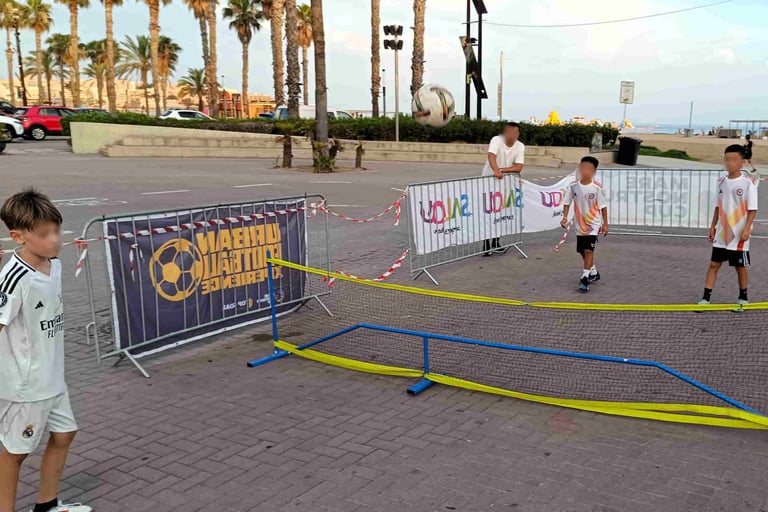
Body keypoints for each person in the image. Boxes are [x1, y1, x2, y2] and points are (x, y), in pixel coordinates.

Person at [0, 190, 91, 512]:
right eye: (44, 234)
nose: (55, 239)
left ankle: (47, 505)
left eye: (57, 230)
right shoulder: (13, 278)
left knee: (65, 434)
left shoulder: (53, 265)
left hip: (53, 378)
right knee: (15, 453)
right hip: (26, 387)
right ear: (18, 236)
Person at [698, 145, 758, 311]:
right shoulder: (721, 181)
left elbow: (752, 209)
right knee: (713, 265)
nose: (729, 163)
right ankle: (705, 299)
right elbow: (718, 206)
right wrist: (712, 226)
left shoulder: (748, 183)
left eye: (733, 159)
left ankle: (743, 299)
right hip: (722, 233)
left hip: (739, 234)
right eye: (727, 159)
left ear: (742, 162)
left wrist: (746, 229)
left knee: (739, 267)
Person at [561, 156, 608, 292]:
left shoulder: (597, 188)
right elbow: (567, 202)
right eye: (583, 167)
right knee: (582, 251)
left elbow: (603, 206)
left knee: (589, 250)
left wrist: (605, 224)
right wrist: (564, 217)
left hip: (593, 223)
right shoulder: (573, 186)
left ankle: (584, 278)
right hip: (579, 224)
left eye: (589, 168)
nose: (585, 170)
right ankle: (593, 272)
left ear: (594, 171)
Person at [481, 121, 525, 256]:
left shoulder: (520, 146)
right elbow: (491, 156)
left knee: (501, 212)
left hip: (504, 183)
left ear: (518, 134)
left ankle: (496, 242)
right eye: (508, 132)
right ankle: (486, 244)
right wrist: (495, 170)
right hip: (488, 181)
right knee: (488, 212)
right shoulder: (496, 140)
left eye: (514, 133)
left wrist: (501, 170)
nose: (511, 135)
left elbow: (518, 167)